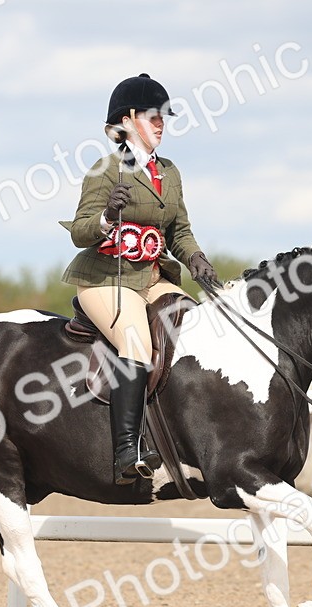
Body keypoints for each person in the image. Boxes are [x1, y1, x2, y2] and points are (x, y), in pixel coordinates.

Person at [60, 73, 219, 486]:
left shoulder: (170, 172)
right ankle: (126, 451)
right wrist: (107, 217)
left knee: (197, 330)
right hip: (106, 279)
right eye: (153, 116)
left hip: (151, 276)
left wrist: (197, 259)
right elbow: (80, 231)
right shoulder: (105, 169)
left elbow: (178, 230)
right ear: (128, 120)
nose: (162, 123)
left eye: (165, 117)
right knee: (136, 343)